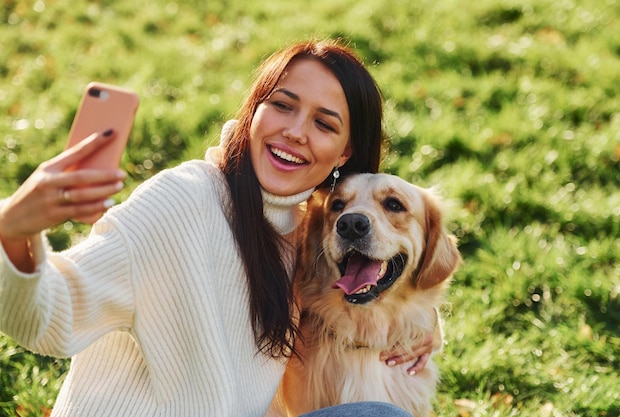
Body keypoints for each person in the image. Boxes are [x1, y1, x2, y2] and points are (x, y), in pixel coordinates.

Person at [0, 39, 436, 416]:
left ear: (345, 153)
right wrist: (12, 228)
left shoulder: (310, 236)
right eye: (282, 105)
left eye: (324, 124)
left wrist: (421, 327)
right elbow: (50, 319)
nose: (296, 132)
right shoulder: (182, 201)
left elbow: (350, 306)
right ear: (254, 112)